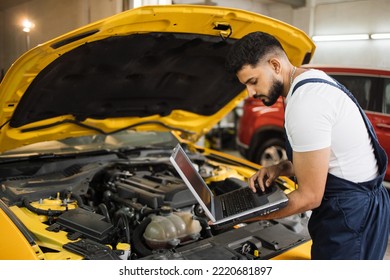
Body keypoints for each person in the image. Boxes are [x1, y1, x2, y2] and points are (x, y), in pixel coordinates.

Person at [225, 31, 390, 260]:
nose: (251, 93)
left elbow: (309, 197)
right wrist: (280, 168)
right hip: (356, 207)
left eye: (253, 82)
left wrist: (242, 216)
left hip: (350, 218)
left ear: (275, 64)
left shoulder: (307, 102)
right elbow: (325, 160)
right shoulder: (309, 81)